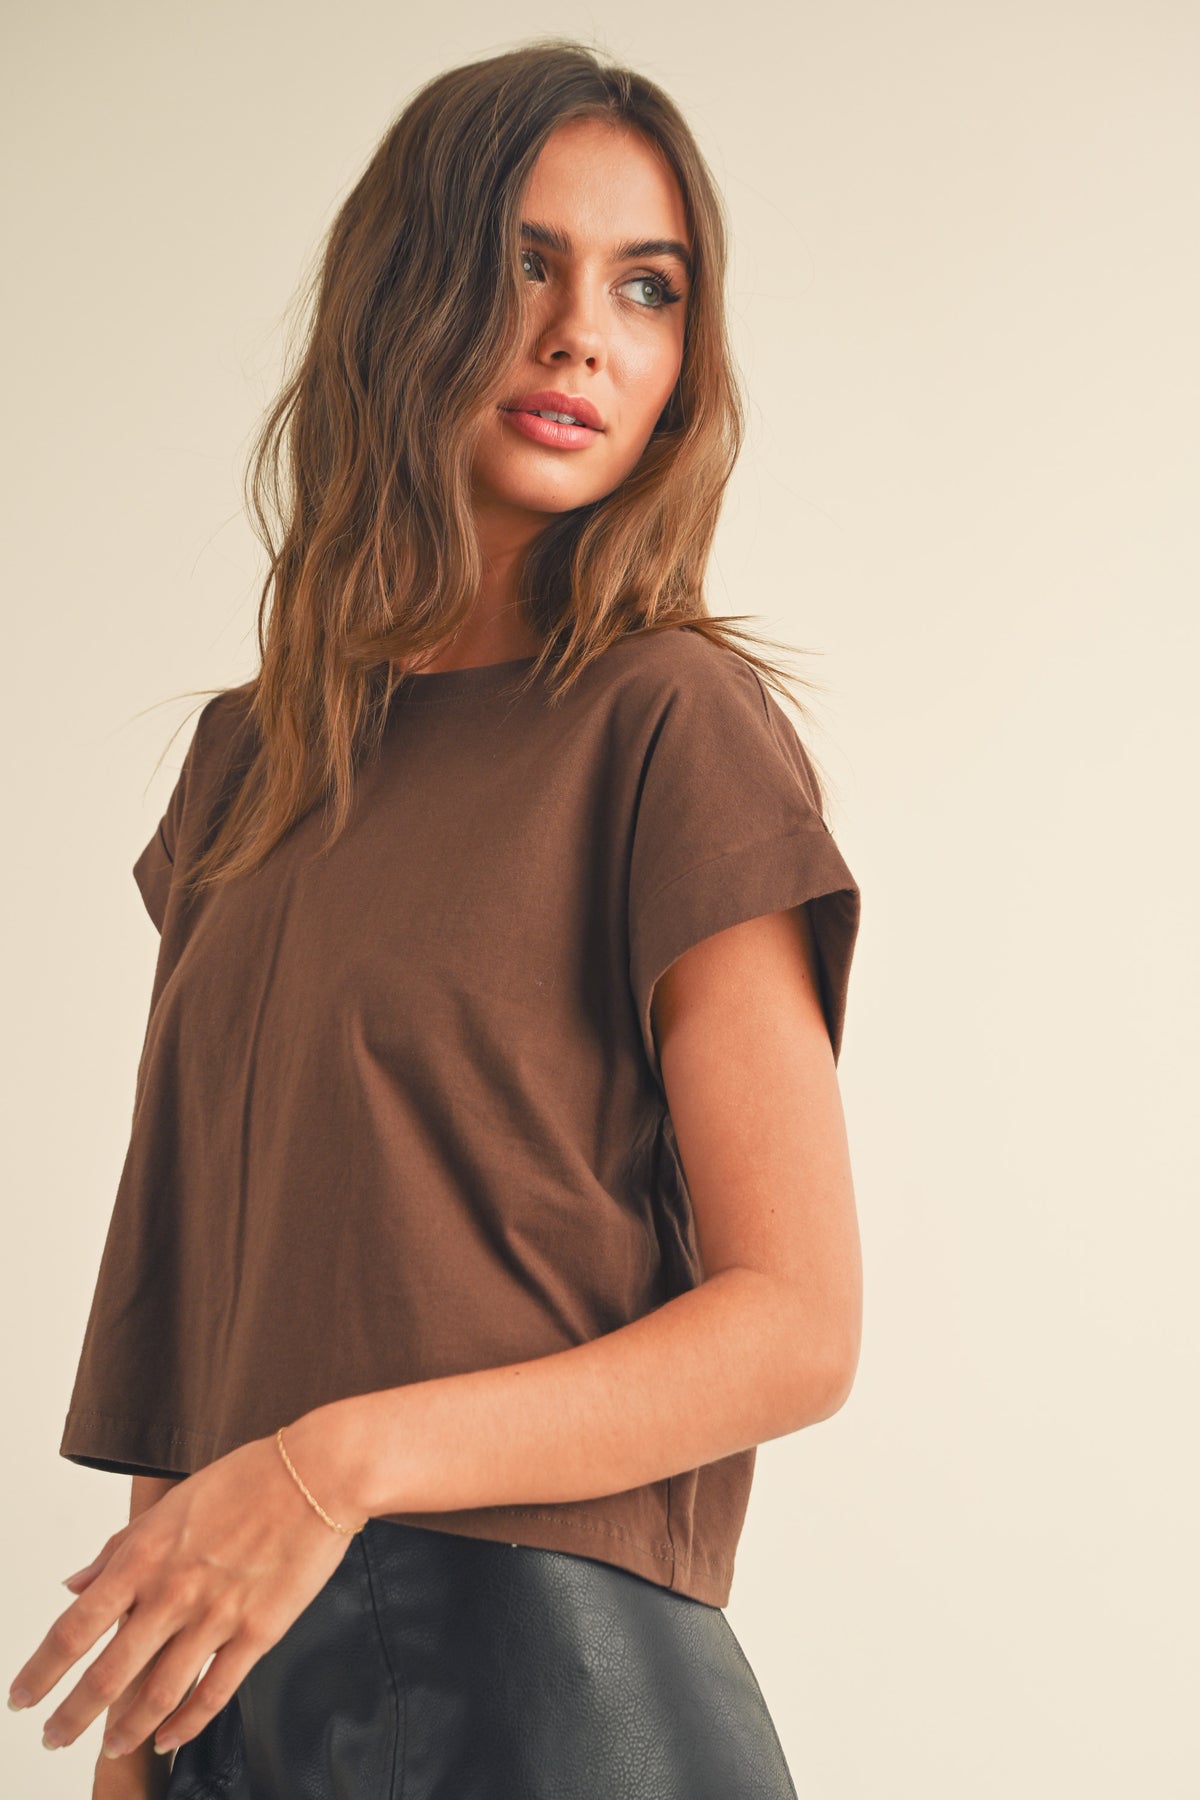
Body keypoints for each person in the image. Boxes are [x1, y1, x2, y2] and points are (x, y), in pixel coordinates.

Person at [8, 37, 862, 1800]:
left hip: (552, 1682)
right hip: (243, 1681)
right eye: (527, 263)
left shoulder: (664, 723)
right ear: (411, 296)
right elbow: (198, 1288)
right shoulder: (251, 763)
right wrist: (146, 1740)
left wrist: (335, 1466)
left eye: (649, 288)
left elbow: (798, 1321)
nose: (583, 336)